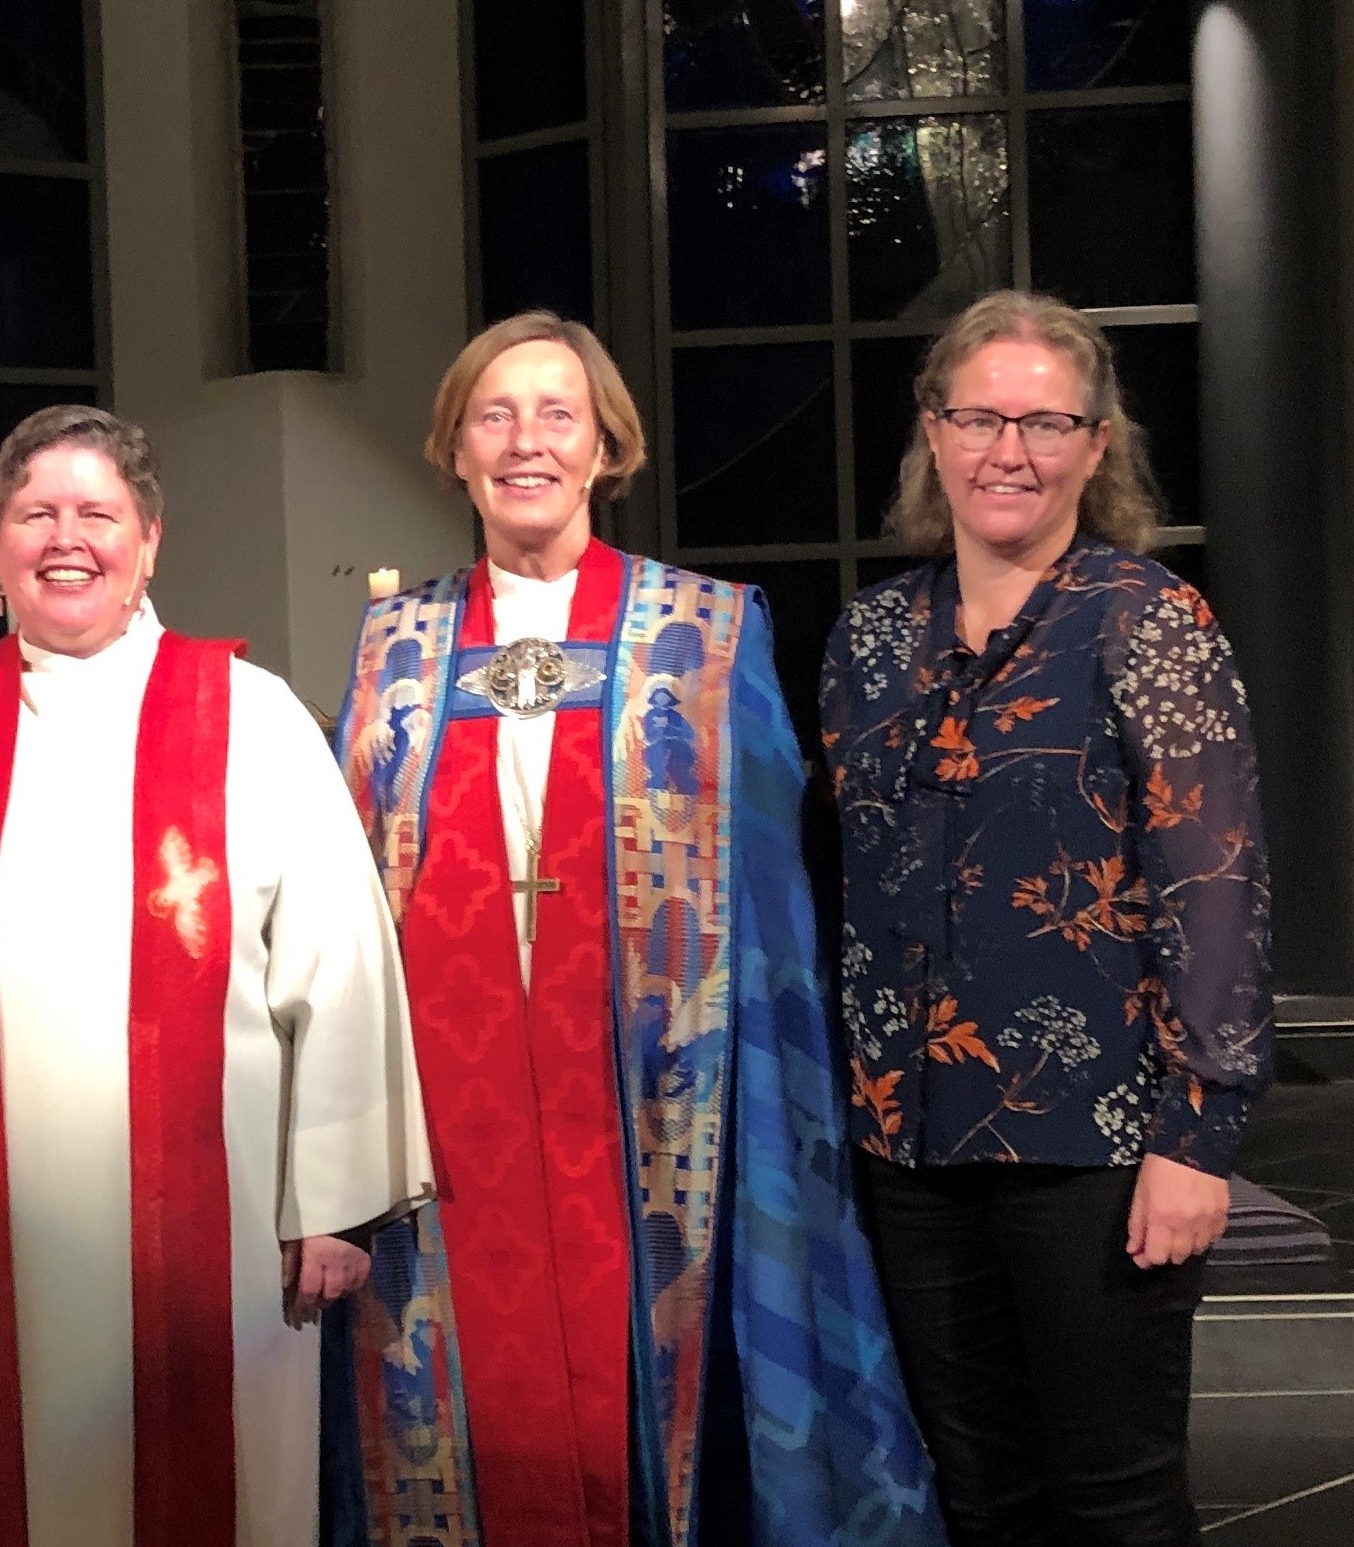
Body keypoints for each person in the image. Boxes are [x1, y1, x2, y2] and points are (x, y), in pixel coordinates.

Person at [0, 405, 432, 1547]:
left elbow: (343, 967)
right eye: (34, 513)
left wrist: (337, 1198)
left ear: (149, 541)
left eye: (96, 513)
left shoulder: (248, 719)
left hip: (213, 1245)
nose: (65, 539)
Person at [323, 311, 944, 1547]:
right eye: (492, 416)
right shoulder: (395, 648)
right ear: (453, 448)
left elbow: (765, 911)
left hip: (658, 1108)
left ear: (607, 445)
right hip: (452, 1123)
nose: (524, 443)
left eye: (557, 413)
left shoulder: (706, 634)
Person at [820, 289, 1272, 1546]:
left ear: (1093, 443)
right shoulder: (868, 640)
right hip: (908, 1144)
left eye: (1041, 422)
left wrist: (1200, 1135)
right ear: (931, 431)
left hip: (1097, 1140)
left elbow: (1216, 888)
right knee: (979, 1490)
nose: (1004, 450)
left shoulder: (1146, 623)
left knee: (1115, 1495)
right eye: (976, 417)